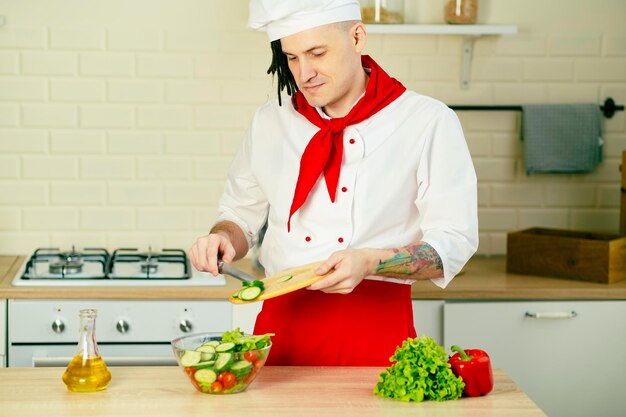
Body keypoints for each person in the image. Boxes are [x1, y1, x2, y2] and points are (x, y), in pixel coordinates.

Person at [189, 0, 478, 366]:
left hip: (378, 327)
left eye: (317, 52)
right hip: (281, 327)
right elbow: (239, 218)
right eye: (292, 58)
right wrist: (222, 238)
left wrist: (370, 262)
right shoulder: (270, 121)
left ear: (357, 37)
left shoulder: (427, 121)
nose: (304, 72)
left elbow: (453, 244)